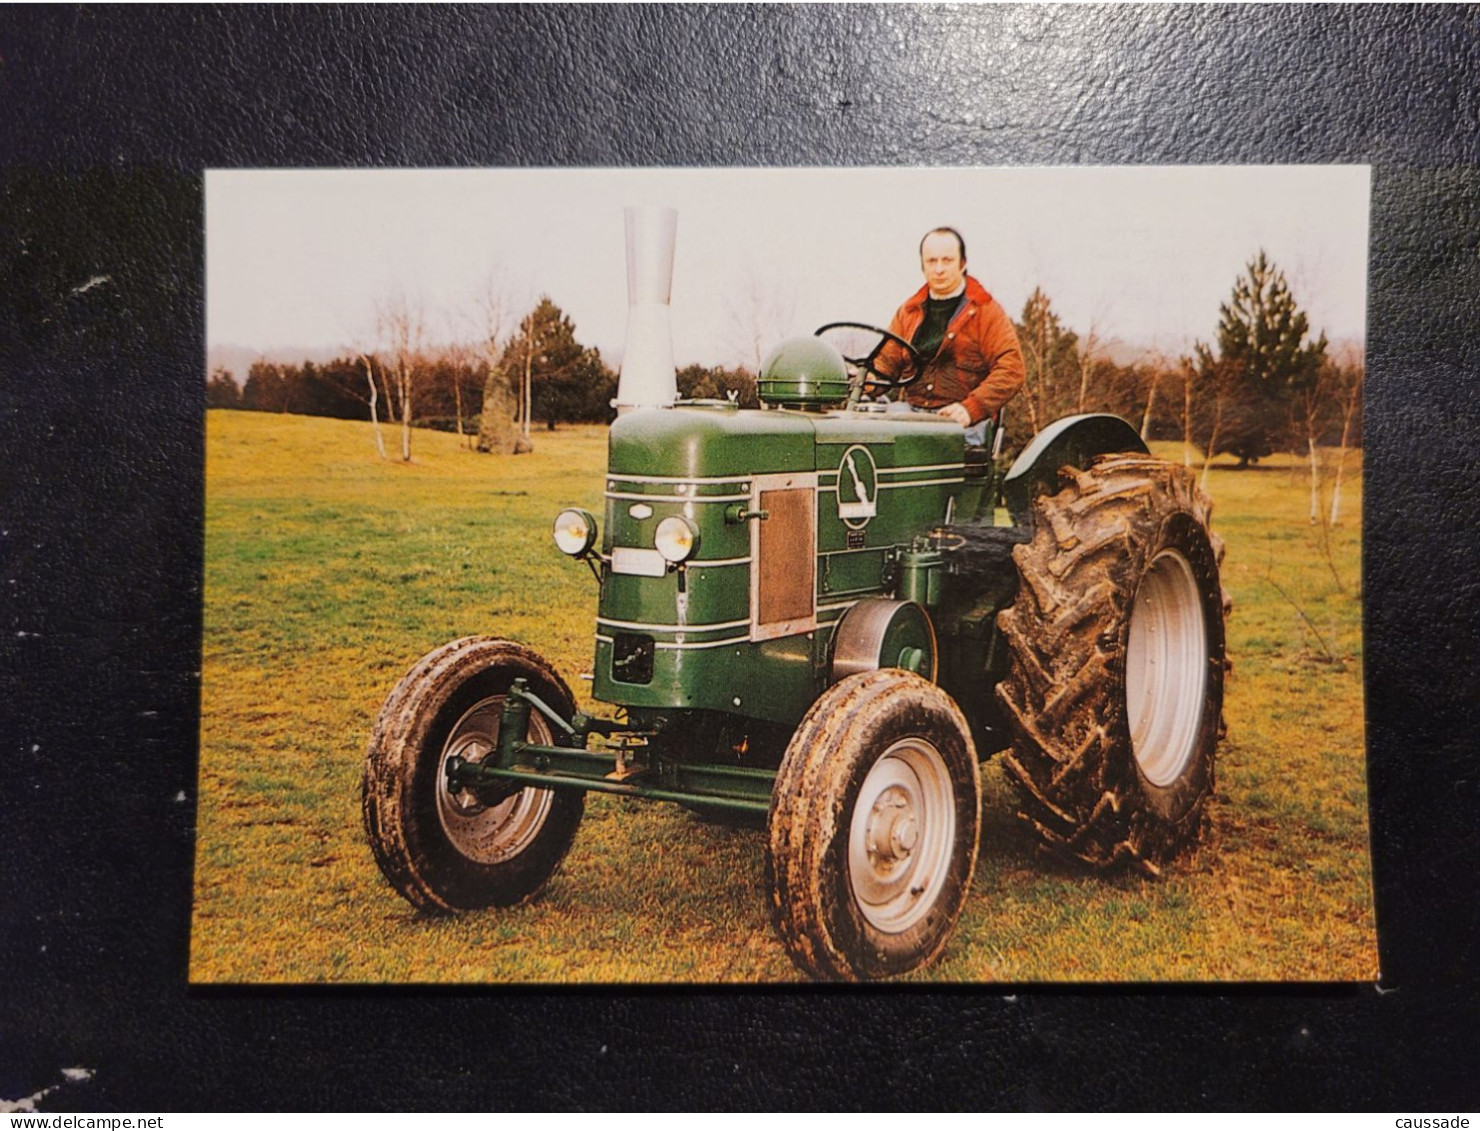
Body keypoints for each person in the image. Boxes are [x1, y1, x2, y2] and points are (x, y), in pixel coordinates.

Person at [876, 227, 1024, 446]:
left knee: (928, 448)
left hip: (962, 421)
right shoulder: (909, 311)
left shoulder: (985, 310)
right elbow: (885, 363)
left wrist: (971, 408)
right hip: (912, 415)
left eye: (947, 261)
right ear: (923, 266)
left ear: (962, 263)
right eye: (932, 261)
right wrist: (866, 380)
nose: (939, 269)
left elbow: (1012, 369)